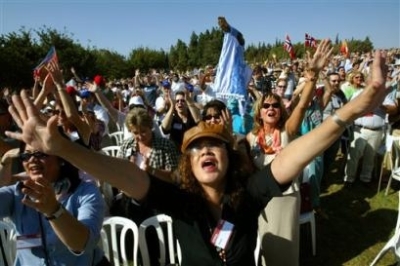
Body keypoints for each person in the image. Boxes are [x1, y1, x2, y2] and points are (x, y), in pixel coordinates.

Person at [5, 48, 389, 266]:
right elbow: (123, 174)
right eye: (196, 148)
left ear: (228, 156)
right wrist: (62, 148)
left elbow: (295, 153)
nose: (206, 149)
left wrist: (352, 110)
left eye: (215, 144)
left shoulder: (248, 194)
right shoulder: (182, 204)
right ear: (187, 165)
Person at [246, 39, 333, 266]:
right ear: (259, 113)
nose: (271, 108)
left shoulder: (288, 130)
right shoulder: (250, 138)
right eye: (266, 106)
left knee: (285, 251)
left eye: (275, 105)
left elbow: (302, 105)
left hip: (286, 198)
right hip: (261, 201)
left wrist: (313, 75)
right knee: (266, 247)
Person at [0, 141, 108, 265]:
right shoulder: (16, 193)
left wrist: (54, 210)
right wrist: (5, 161)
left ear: (61, 159)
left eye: (41, 154)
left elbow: (82, 244)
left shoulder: (85, 192)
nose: (32, 160)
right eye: (26, 156)